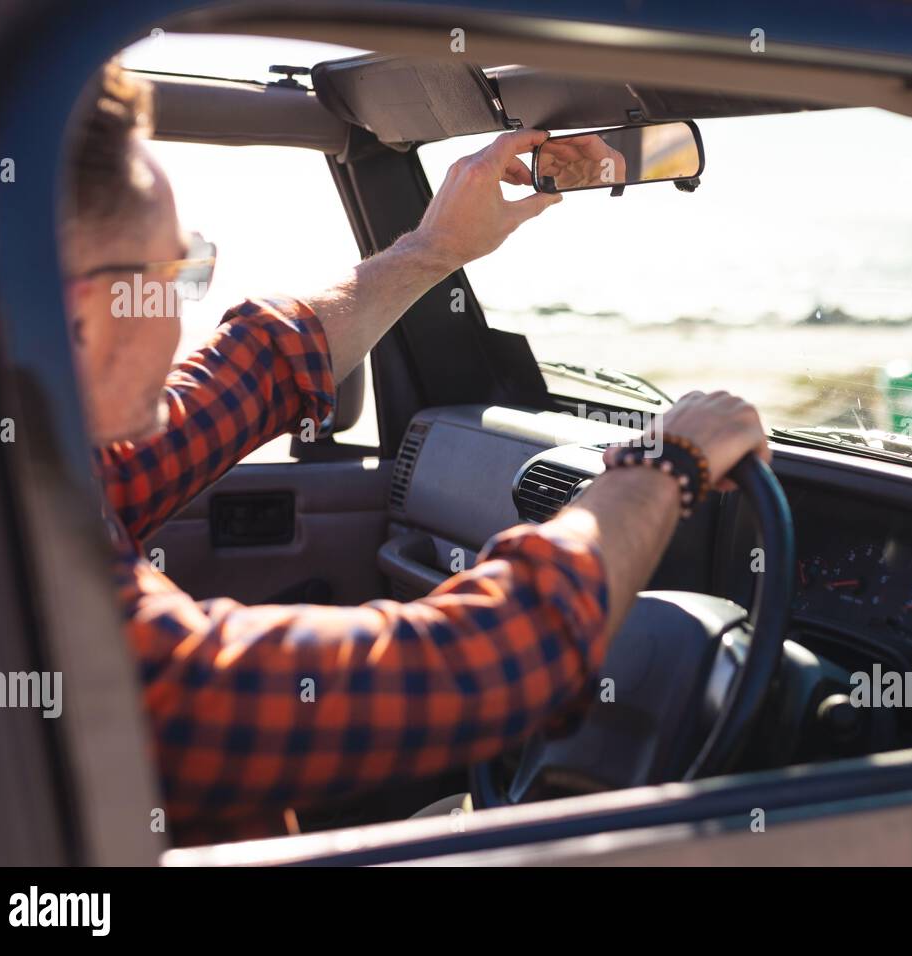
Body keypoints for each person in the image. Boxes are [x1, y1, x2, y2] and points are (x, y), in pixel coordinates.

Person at [61, 63, 770, 843]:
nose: (175, 323)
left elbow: (252, 372)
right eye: (174, 276)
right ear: (80, 308)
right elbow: (483, 664)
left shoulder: (36, 477)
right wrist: (664, 469)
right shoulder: (65, 619)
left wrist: (433, 248)